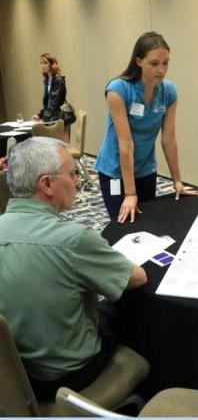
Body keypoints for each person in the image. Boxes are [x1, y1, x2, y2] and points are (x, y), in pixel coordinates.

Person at [0, 137, 147, 400]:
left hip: (13, 375)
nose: (79, 180)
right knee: (123, 307)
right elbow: (136, 278)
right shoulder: (74, 239)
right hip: (68, 375)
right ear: (46, 184)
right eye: (73, 173)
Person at [95, 31, 198, 223]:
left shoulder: (168, 91)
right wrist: (130, 193)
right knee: (123, 225)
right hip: (115, 172)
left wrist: (177, 181)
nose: (161, 69)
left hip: (145, 169)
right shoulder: (118, 90)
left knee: (147, 224)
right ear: (139, 61)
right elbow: (126, 144)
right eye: (154, 63)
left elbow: (169, 140)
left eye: (165, 63)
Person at [31, 53, 69, 142]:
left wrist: (43, 120)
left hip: (57, 119)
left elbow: (54, 104)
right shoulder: (48, 80)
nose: (42, 66)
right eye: (41, 63)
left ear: (52, 64)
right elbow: (47, 104)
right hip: (51, 117)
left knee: (36, 134)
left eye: (45, 63)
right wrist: (39, 115)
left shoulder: (58, 80)